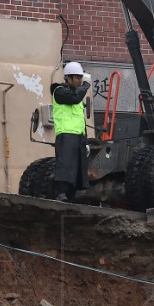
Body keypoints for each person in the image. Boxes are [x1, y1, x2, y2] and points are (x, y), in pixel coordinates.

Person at [51, 61, 91, 203]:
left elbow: (81, 120)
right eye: (77, 78)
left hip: (78, 136)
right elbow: (74, 98)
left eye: (81, 78)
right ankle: (60, 193)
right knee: (66, 164)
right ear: (68, 78)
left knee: (77, 167)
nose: (80, 81)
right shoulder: (59, 91)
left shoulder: (76, 95)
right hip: (66, 134)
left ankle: (71, 196)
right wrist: (86, 86)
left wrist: (85, 140)